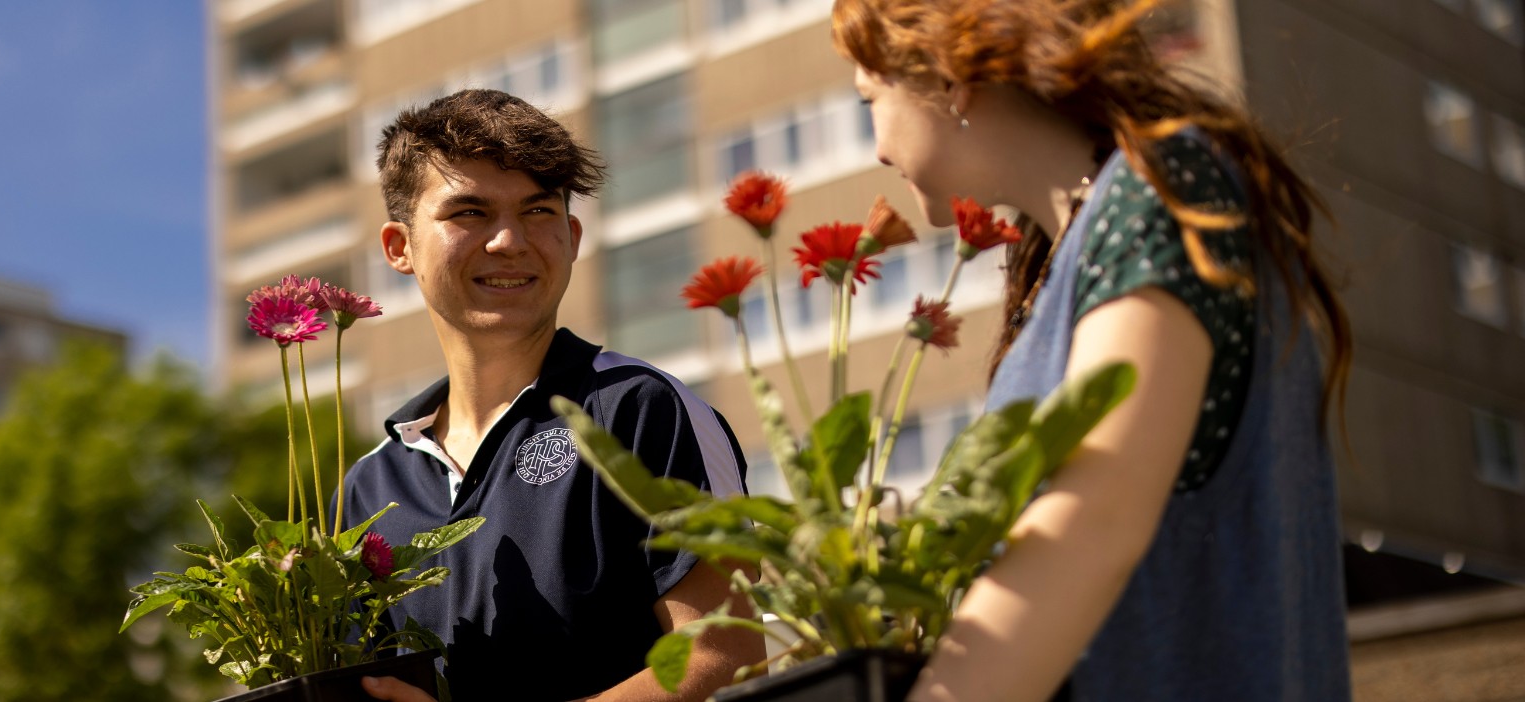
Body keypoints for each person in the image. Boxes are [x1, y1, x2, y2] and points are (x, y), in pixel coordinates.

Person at [833, 0, 1354, 700]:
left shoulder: (1161, 193)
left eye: (870, 98)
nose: (876, 148)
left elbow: (1091, 524)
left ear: (947, 78)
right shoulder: (1077, 248)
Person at [338, 89, 766, 702]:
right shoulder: (368, 488)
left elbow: (726, 660)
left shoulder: (641, 409)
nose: (510, 241)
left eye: (538, 212)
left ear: (571, 235)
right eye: (470, 213)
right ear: (398, 247)